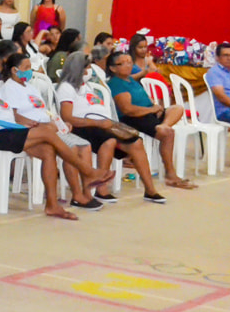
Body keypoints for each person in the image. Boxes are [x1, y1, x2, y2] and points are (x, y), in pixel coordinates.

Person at [0, 53, 116, 219]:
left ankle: (52, 205)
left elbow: (10, 112)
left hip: (10, 130)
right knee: (48, 133)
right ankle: (88, 172)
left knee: (48, 150)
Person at [57, 53, 165, 204]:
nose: (89, 71)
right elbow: (68, 117)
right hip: (84, 126)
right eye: (87, 67)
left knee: (136, 142)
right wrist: (99, 123)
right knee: (109, 141)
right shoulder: (66, 88)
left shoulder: (87, 86)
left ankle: (150, 189)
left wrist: (106, 122)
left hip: (104, 123)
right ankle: (101, 188)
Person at [0, 53, 102, 211]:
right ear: (14, 70)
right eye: (26, 68)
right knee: (71, 148)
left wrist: (60, 122)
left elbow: (45, 110)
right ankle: (77, 194)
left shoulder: (30, 88)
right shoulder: (8, 88)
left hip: (49, 125)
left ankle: (86, 193)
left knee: (85, 146)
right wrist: (31, 122)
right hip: (33, 129)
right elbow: (11, 114)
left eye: (30, 68)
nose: (30, 72)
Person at [107, 52, 194, 189]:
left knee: (177, 108)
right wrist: (151, 110)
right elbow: (127, 109)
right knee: (168, 133)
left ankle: (163, 125)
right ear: (113, 68)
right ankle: (170, 174)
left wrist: (155, 107)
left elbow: (146, 99)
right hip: (134, 118)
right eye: (122, 63)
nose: (128, 65)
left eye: (130, 62)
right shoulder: (116, 84)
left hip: (148, 112)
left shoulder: (131, 80)